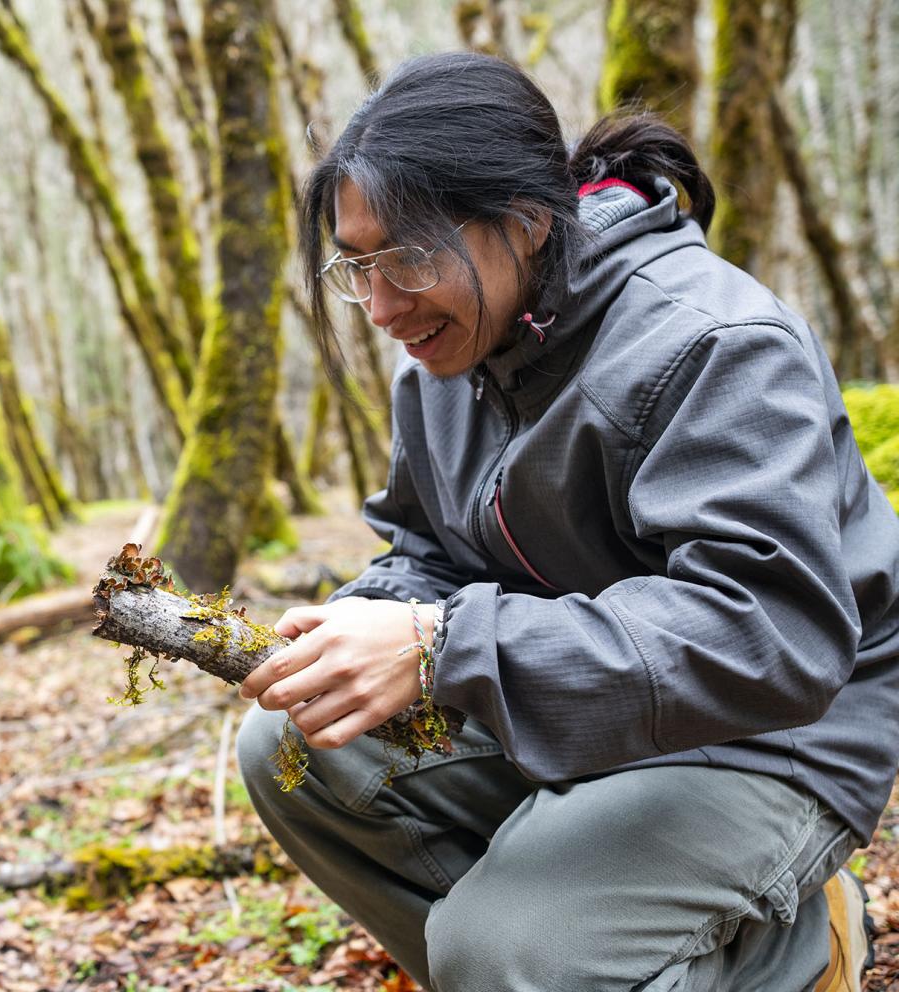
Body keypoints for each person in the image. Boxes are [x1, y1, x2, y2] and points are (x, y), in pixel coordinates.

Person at [236, 51, 899, 991]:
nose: (381, 307)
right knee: (294, 749)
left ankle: (794, 950)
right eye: (358, 267)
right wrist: (364, 620)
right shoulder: (444, 362)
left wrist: (436, 643)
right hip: (587, 702)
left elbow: (772, 636)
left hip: (777, 736)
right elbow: (428, 550)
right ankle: (565, 944)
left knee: (508, 951)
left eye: (411, 257)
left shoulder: (712, 342)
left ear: (529, 217)